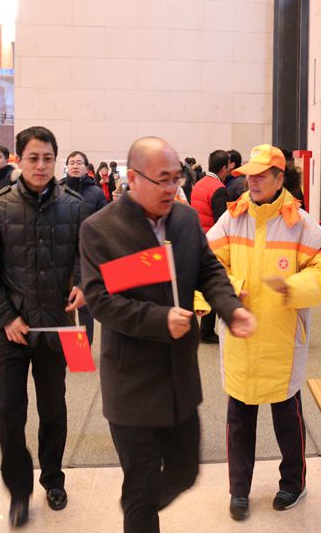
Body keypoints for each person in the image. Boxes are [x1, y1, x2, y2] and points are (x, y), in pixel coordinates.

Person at [79, 137, 255, 533]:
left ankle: (137, 505)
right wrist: (160, 319)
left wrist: (231, 308)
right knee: (142, 491)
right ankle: (139, 509)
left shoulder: (185, 220)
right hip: (132, 385)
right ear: (133, 179)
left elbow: (208, 270)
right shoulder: (101, 229)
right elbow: (101, 301)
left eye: (176, 178)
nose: (172, 188)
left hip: (179, 377)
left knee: (185, 472)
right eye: (162, 179)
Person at [205, 144, 321, 522]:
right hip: (241, 335)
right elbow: (208, 263)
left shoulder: (302, 224)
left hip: (282, 337)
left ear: (280, 179)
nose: (253, 181)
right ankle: (239, 490)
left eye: (262, 175)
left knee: (287, 418)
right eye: (250, 174)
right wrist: (234, 286)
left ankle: (293, 483)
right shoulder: (232, 219)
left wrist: (292, 287)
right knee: (239, 419)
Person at [0, 126, 89, 528]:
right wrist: (7, 316)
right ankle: (19, 490)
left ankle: (53, 478)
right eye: (33, 158)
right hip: (11, 329)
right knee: (7, 411)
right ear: (19, 160)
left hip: (56, 327)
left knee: (53, 408)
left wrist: (83, 284)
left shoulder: (74, 206)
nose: (41, 165)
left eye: (48, 158)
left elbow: (87, 256)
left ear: (56, 160)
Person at [62, 150, 107, 344]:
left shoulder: (96, 193)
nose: (75, 165)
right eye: (71, 162)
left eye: (79, 162)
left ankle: (83, 349)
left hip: (85, 255)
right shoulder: (58, 189)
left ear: (86, 167)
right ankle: (70, 349)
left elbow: (104, 223)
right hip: (62, 255)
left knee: (84, 303)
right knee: (66, 303)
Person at [190, 150, 230, 344]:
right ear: (224, 168)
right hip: (213, 243)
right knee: (213, 282)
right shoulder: (218, 188)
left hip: (198, 238)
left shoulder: (199, 184)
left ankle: (203, 329)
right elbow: (222, 221)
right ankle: (206, 330)